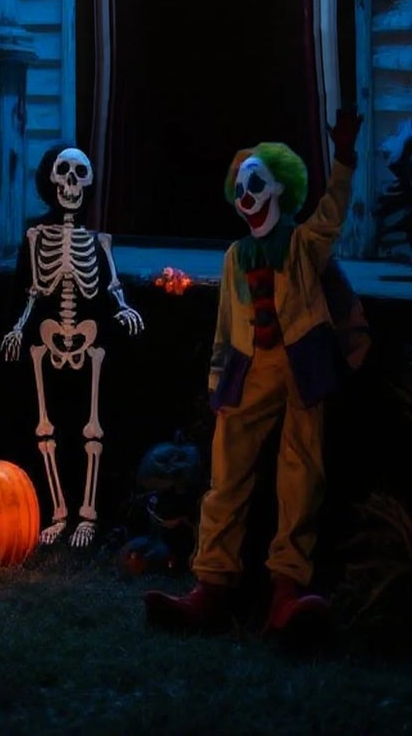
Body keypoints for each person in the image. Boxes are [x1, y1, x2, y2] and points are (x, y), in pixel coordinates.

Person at [145, 108, 361, 640]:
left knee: (300, 473)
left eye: (256, 184)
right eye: (240, 186)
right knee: (226, 477)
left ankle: (287, 593)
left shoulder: (302, 244)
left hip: (303, 364)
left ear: (279, 190)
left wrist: (345, 159)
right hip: (249, 368)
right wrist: (219, 377)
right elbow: (225, 324)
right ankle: (211, 587)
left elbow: (331, 215)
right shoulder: (235, 256)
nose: (247, 194)